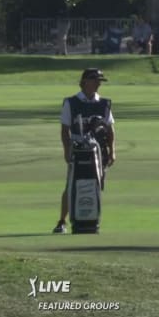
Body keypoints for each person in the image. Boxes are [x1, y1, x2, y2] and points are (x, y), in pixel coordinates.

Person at [53, 68, 116, 234]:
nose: (98, 84)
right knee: (71, 185)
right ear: (85, 81)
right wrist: (67, 150)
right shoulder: (71, 102)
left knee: (95, 186)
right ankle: (62, 221)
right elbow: (65, 129)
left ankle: (90, 219)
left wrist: (112, 151)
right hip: (78, 149)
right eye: (95, 80)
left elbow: (110, 130)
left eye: (99, 81)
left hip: (98, 150)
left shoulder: (104, 103)